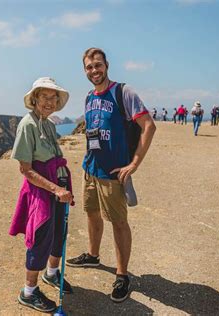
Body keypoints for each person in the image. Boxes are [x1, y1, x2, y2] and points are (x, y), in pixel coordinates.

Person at [67, 48, 156, 303]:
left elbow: (148, 126)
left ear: (106, 65)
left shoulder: (123, 92)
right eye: (89, 67)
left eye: (98, 65)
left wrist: (134, 163)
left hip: (113, 172)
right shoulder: (88, 96)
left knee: (118, 222)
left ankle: (122, 275)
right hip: (91, 168)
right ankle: (93, 256)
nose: (94, 71)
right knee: (91, 213)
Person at [9, 77, 74, 313]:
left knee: (59, 233)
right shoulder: (27, 125)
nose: (50, 101)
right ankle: (28, 292)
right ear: (35, 99)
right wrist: (56, 188)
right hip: (41, 191)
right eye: (44, 97)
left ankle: (52, 274)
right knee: (40, 238)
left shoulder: (48, 123)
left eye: (53, 97)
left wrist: (61, 184)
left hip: (57, 188)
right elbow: (26, 170)